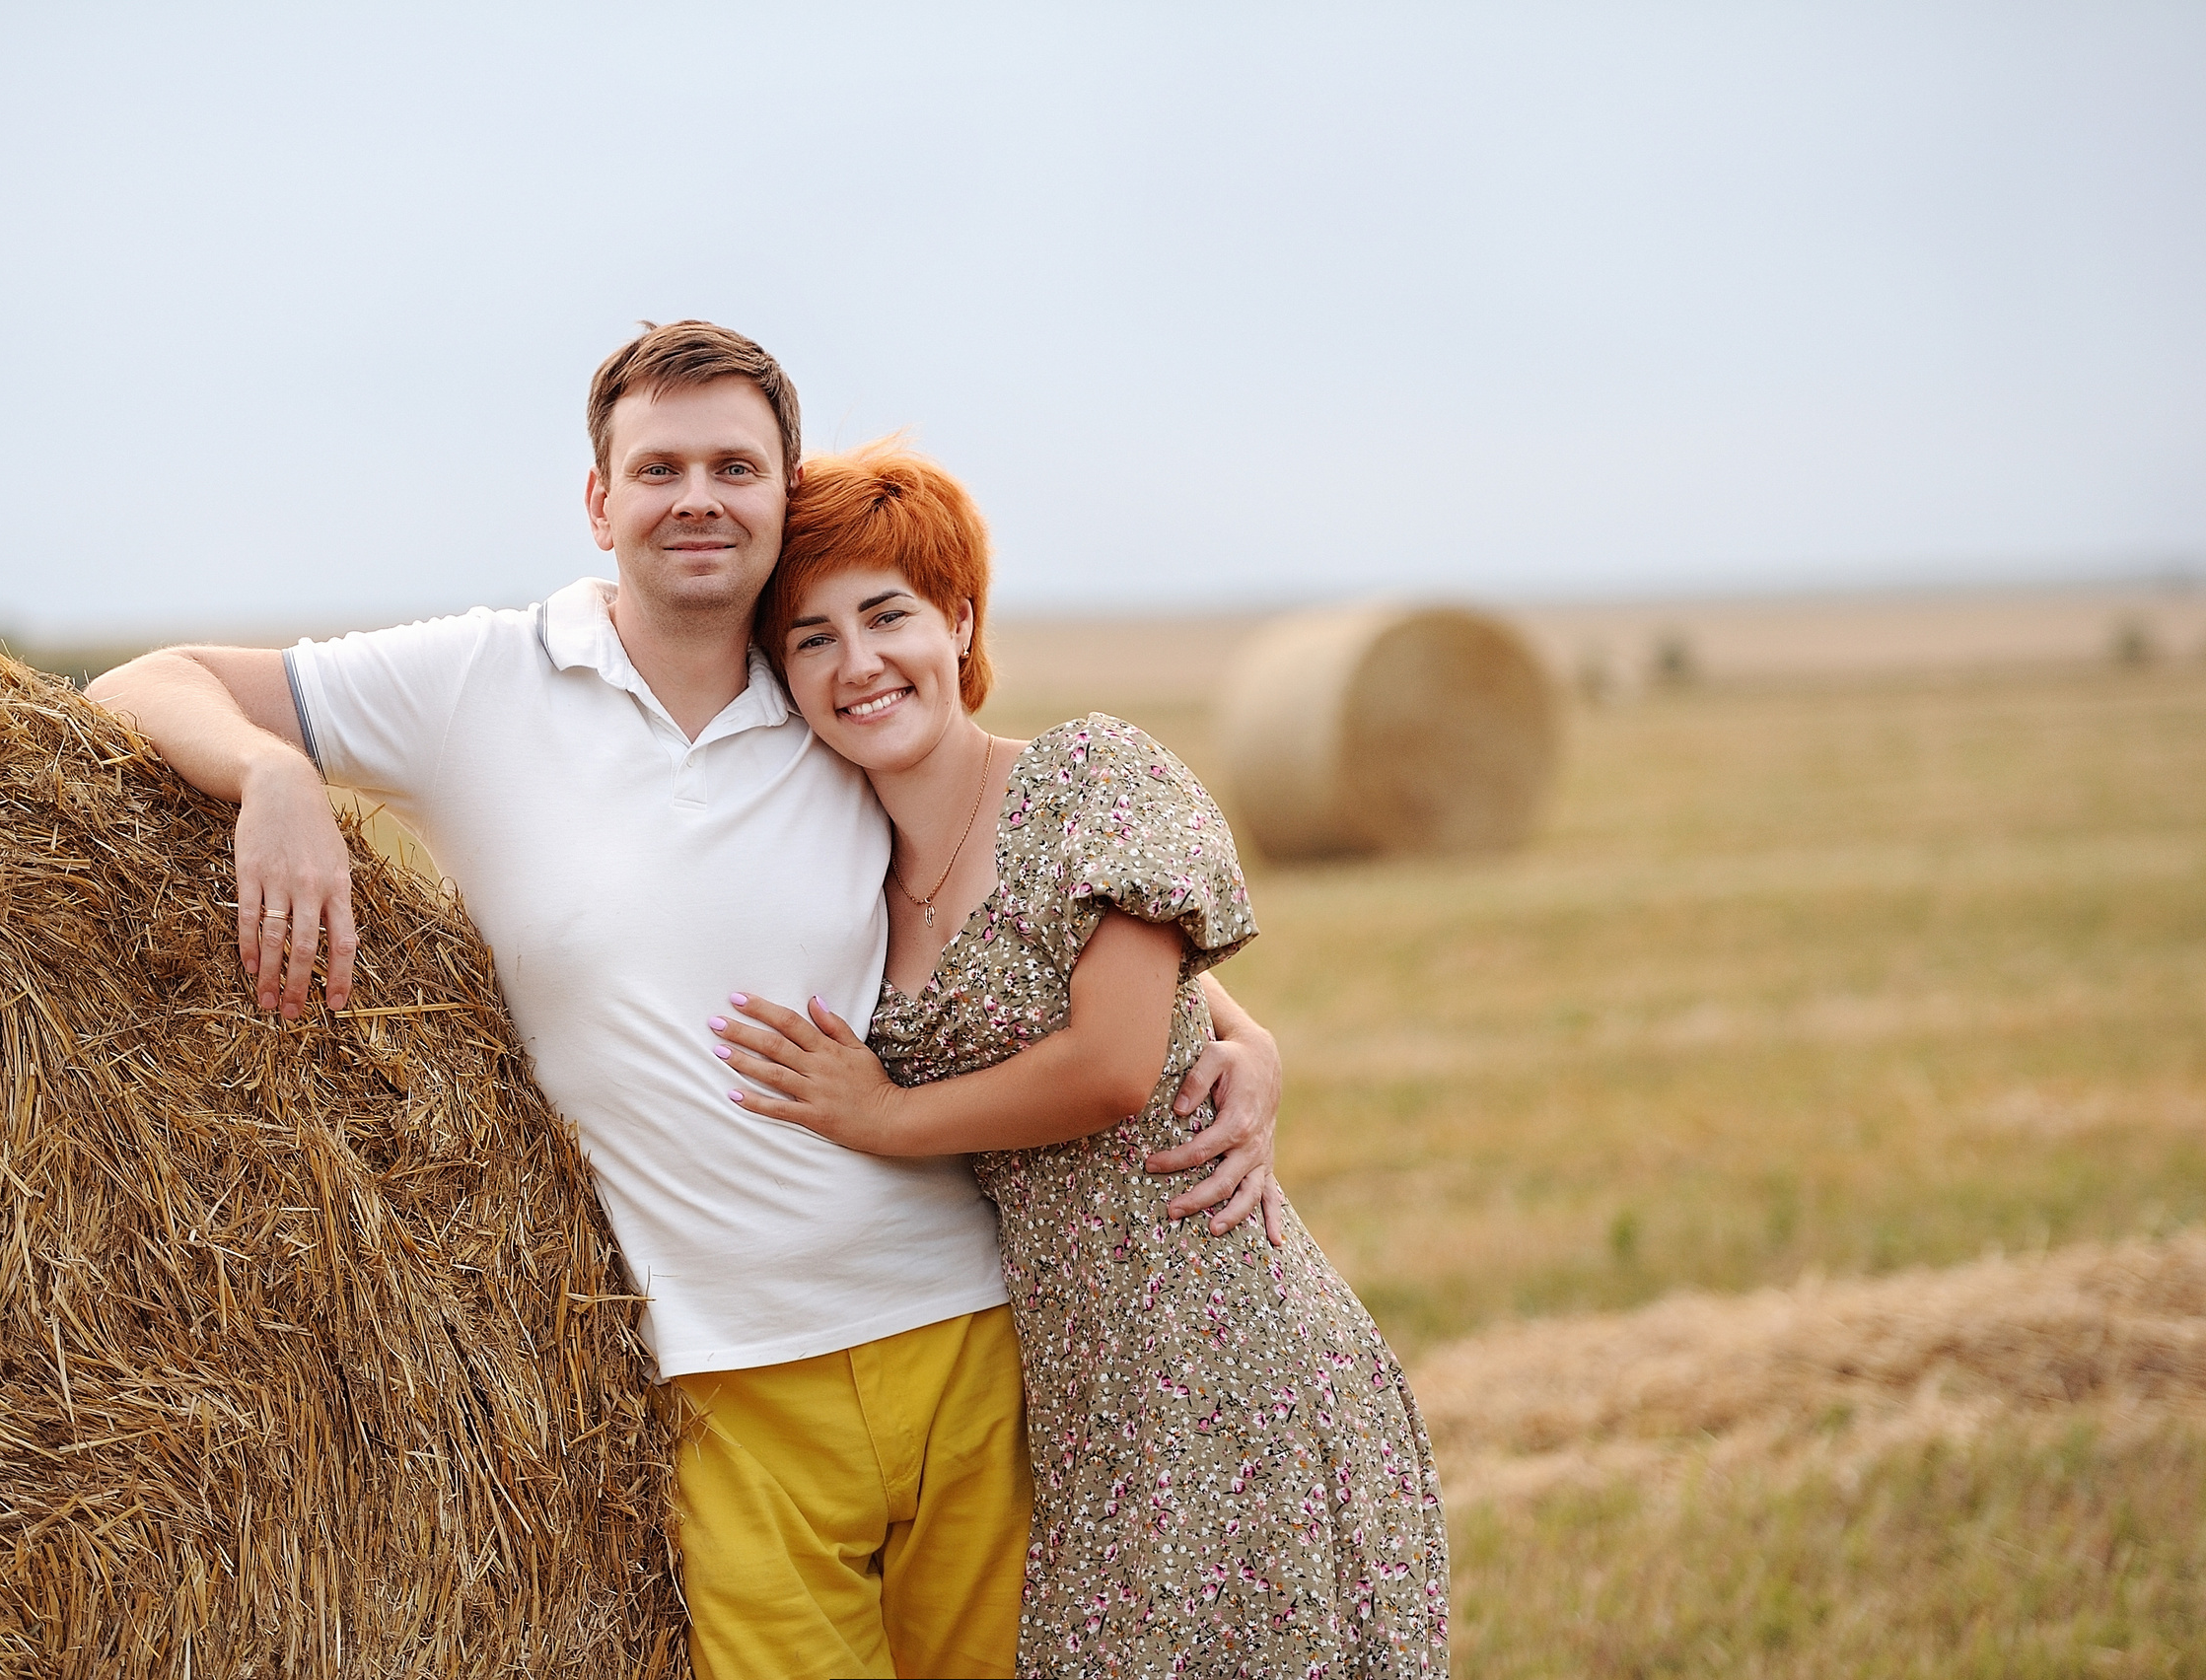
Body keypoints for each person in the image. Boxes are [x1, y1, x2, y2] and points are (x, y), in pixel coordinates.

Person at [85, 321, 1290, 1680]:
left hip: (969, 1332)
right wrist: (275, 775)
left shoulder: (834, 692)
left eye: (736, 468)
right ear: (600, 501)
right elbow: (143, 683)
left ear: (782, 498)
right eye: (660, 469)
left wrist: (1239, 1035)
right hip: (730, 1384)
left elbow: (1022, 898)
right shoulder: (476, 683)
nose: (698, 499)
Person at [708, 442, 1450, 1677]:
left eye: (887, 616)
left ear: (957, 621)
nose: (858, 663)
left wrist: (884, 1116)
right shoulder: (845, 870)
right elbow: (1166, 999)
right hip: (1072, 1386)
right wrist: (1246, 1033)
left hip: (1221, 1342)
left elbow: (1113, 1062)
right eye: (812, 638)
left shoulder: (1088, 781)